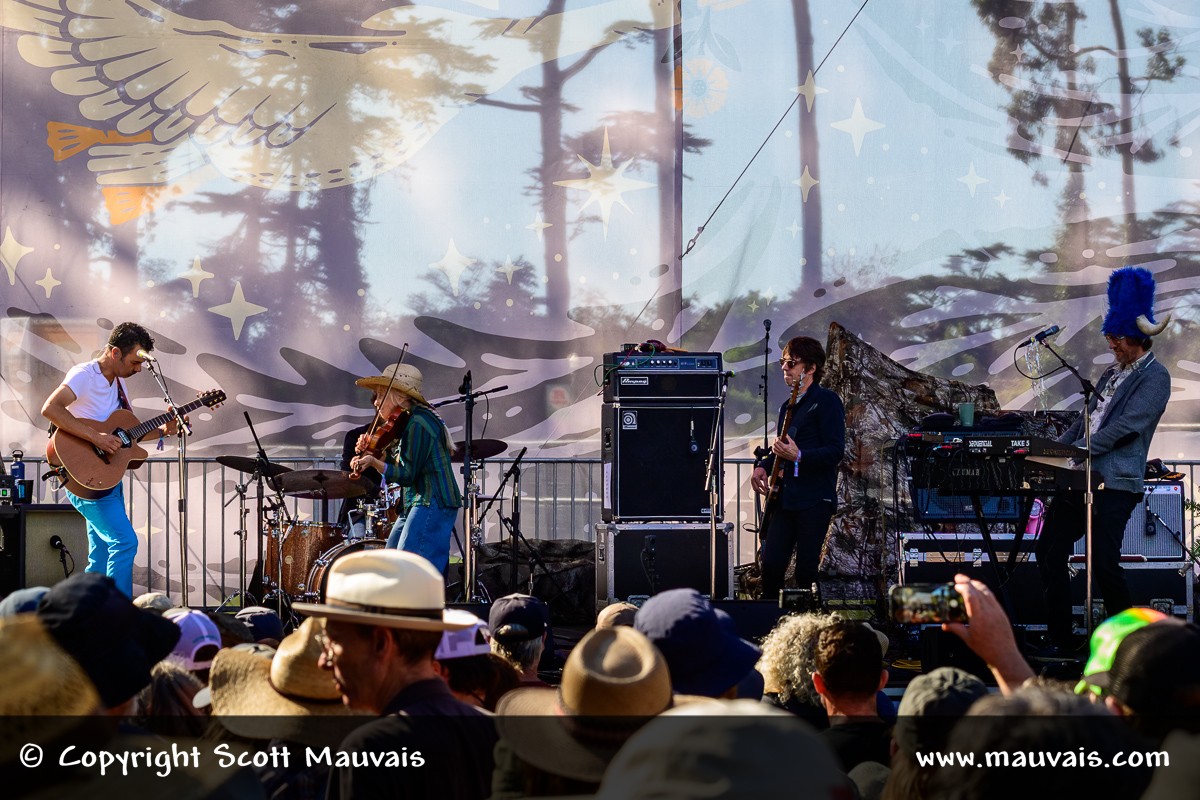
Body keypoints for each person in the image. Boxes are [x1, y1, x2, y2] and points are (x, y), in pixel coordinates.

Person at [1035, 266, 1172, 652]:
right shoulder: (1112, 374)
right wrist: (1049, 454)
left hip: (1115, 482)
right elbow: (1084, 424)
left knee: (1103, 561)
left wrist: (1077, 452)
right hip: (1080, 478)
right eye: (1110, 337)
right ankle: (1059, 636)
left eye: (1115, 338)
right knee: (1048, 549)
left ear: (1134, 338)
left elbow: (1127, 427)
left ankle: (1127, 646)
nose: (1111, 344)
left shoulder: (1155, 377)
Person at [294, 549, 497, 800]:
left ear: (381, 643)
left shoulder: (369, 751)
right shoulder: (497, 733)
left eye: (333, 641)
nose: (324, 661)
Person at [41, 322, 180, 596]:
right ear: (115, 353)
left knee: (102, 552)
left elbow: (127, 435)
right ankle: (118, 616)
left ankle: (88, 614)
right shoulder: (84, 374)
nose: (138, 369)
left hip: (106, 477)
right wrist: (97, 438)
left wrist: (166, 429)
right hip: (82, 473)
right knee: (124, 542)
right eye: (134, 362)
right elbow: (50, 408)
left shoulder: (118, 384)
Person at [751, 335, 846, 601]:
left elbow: (835, 450)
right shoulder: (788, 407)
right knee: (771, 567)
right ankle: (770, 628)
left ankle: (807, 628)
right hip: (786, 498)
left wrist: (800, 455)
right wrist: (764, 466)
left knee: (806, 570)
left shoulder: (827, 401)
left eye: (791, 363)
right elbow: (782, 447)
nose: (784, 368)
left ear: (811, 368)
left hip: (815, 498)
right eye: (783, 362)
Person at [347, 363, 462, 573]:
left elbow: (407, 475)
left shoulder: (419, 422)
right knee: (393, 561)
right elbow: (397, 465)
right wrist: (373, 452)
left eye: (381, 395)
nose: (376, 403)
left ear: (398, 395)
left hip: (432, 500)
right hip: (416, 500)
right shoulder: (408, 420)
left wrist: (373, 461)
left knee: (409, 569)